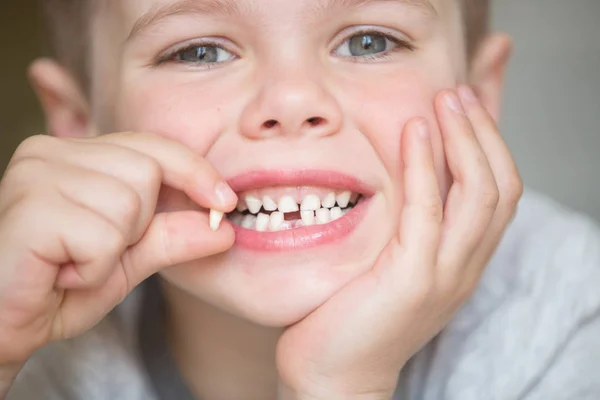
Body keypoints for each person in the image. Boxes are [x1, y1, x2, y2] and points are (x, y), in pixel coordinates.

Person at [1, 0, 599, 399]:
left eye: (368, 41)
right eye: (199, 52)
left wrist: (336, 386)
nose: (291, 99)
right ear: (81, 123)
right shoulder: (36, 346)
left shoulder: (571, 319)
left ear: (479, 94)